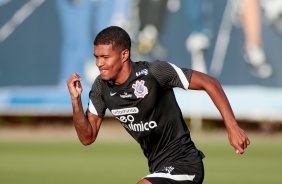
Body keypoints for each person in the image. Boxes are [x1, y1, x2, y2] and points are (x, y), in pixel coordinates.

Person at [67, 26, 250, 184]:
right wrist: (76, 101)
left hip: (185, 164)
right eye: (97, 57)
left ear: (124, 55)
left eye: (105, 57)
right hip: (158, 168)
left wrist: (232, 127)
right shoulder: (101, 87)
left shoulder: (155, 72)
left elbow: (210, 83)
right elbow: (87, 137)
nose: (99, 63)